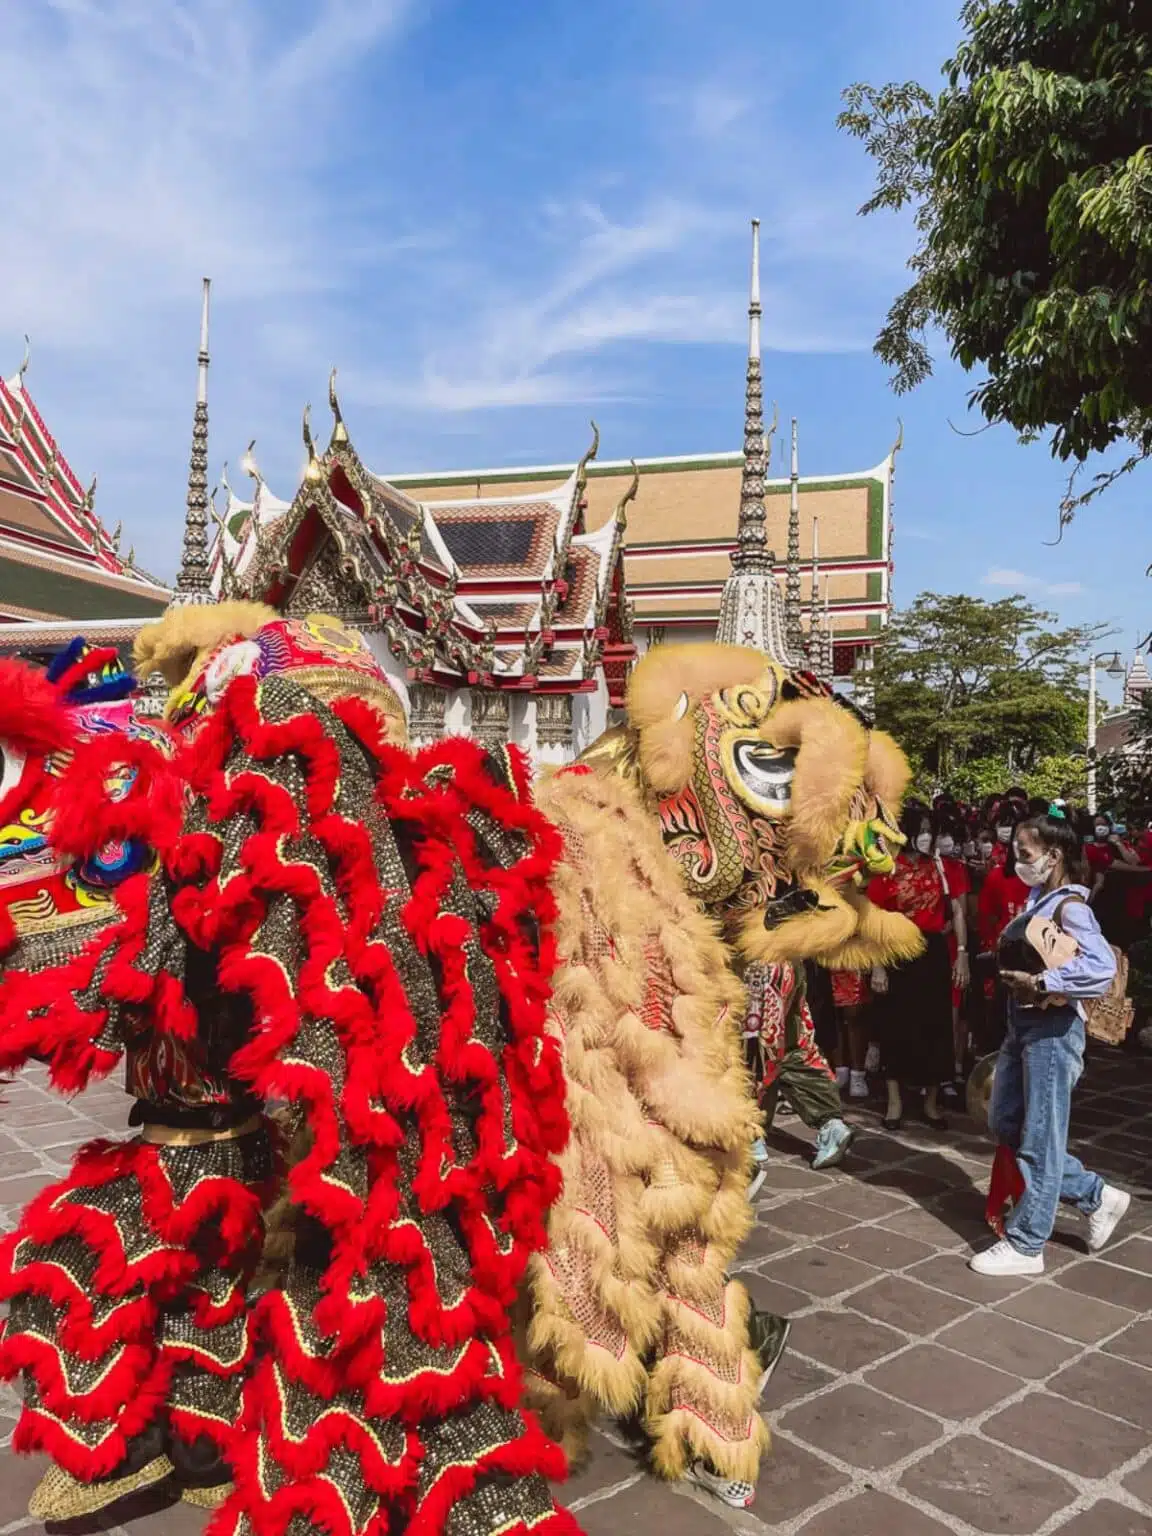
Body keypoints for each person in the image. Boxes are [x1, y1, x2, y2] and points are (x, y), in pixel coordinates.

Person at [970, 812, 1130, 1276]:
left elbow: (1099, 968)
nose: (1017, 861)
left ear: (1054, 856)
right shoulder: (1038, 901)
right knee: (1007, 1121)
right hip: (1022, 1025)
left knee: (1039, 1134)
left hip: (1053, 1029)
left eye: (1025, 854)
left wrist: (1042, 982)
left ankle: (1027, 1243)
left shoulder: (1071, 908)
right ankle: (1095, 1195)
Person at [870, 807, 969, 1129]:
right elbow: (876, 921)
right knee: (895, 1026)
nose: (929, 836)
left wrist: (962, 954)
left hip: (933, 952)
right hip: (897, 950)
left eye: (932, 829)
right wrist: (878, 968)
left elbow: (957, 911)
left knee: (935, 1026)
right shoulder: (889, 869)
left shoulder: (942, 867)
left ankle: (931, 1102)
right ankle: (895, 1102)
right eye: (923, 829)